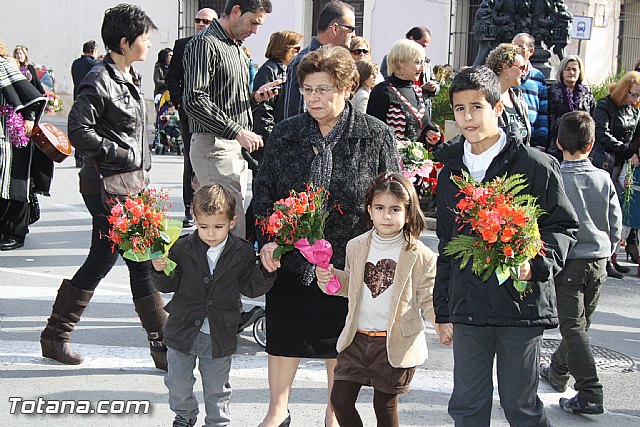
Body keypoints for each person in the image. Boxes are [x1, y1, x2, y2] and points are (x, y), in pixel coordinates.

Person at [254, 45, 400, 427]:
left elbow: (394, 197)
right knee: (285, 335)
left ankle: (333, 416)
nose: (313, 98)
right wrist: (269, 238)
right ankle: (277, 410)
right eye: (307, 90)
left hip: (348, 265)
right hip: (292, 263)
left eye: (323, 89)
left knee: (341, 345)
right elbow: (264, 193)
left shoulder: (375, 135)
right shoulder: (285, 134)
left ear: (347, 88)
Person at [433, 66, 578, 426]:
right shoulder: (449, 170)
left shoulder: (535, 165)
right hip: (468, 308)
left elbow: (562, 226)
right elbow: (448, 245)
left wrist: (535, 263)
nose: (467, 117)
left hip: (520, 305)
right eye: (459, 108)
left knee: (520, 406)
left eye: (477, 107)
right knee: (467, 406)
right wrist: (442, 309)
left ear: (498, 108)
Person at [38, 4, 166, 370]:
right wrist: (122, 153)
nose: (148, 43)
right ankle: (162, 345)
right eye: (143, 37)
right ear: (125, 42)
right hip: (106, 185)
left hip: (129, 183)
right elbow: (79, 130)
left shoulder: (129, 76)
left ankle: (56, 335)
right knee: (139, 260)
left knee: (104, 257)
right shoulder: (99, 78)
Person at [315, 172, 438, 427]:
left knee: (384, 405)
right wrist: (330, 277)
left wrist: (444, 324)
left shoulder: (421, 254)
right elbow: (351, 286)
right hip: (356, 338)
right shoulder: (356, 245)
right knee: (340, 400)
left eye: (395, 209)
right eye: (380, 208)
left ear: (408, 212)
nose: (387, 216)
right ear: (369, 210)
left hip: (394, 343)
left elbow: (429, 297)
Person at [150, 184, 278, 427]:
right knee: (177, 381)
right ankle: (185, 414)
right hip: (182, 328)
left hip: (219, 332)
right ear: (195, 220)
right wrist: (158, 269)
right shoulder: (181, 247)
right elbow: (168, 284)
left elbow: (251, 287)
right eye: (203, 226)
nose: (210, 233)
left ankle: (217, 422)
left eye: (218, 226)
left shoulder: (241, 252)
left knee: (217, 387)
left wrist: (266, 271)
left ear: (232, 222)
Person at [537, 111, 620, 416]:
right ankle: (558, 370)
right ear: (593, 142)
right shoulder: (603, 177)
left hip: (570, 260)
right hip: (598, 259)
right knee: (580, 326)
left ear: (558, 142)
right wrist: (607, 247)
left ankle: (590, 392)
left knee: (573, 327)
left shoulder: (555, 176)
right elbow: (614, 222)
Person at [182, 0, 279, 240]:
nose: (255, 30)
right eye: (253, 22)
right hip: (214, 146)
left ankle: (223, 275)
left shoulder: (235, 46)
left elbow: (224, 100)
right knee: (228, 228)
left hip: (232, 147)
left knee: (230, 225)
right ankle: (222, 277)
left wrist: (254, 99)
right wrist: (237, 130)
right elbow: (194, 99)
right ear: (236, 11)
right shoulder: (205, 44)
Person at [165, 7, 217, 228]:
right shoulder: (182, 45)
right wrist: (181, 104)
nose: (201, 24)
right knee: (191, 161)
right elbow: (172, 79)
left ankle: (212, 208)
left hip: (216, 116)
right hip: (190, 115)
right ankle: (189, 208)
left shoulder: (222, 45)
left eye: (206, 21)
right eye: (198, 20)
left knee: (214, 162)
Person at [591, 71, 640, 278]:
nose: (635, 99)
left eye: (638, 96)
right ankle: (603, 259)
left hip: (622, 164)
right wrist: (627, 150)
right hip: (605, 162)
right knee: (602, 212)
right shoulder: (605, 105)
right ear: (623, 90)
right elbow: (601, 133)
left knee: (616, 212)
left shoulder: (633, 109)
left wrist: (633, 152)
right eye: (633, 94)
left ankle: (612, 256)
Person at [0, 42, 48, 252]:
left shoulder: (4, 65)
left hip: (11, 134)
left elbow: (32, 95)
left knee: (14, 184)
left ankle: (15, 234)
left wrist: (28, 119)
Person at [281, 0, 355, 120]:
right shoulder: (301, 63)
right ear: (335, 29)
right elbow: (295, 118)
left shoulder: (342, 61)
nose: (354, 35)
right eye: (351, 29)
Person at [367, 39, 441, 146]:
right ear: (401, 62)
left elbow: (424, 127)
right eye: (417, 62)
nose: (422, 68)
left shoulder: (418, 92)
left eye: (422, 62)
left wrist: (433, 137)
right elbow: (373, 133)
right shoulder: (382, 91)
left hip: (420, 161)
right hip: (390, 160)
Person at [380, 26, 439, 116]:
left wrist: (433, 87)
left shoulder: (427, 62)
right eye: (421, 45)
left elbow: (434, 81)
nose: (421, 68)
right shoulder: (383, 90)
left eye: (425, 47)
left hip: (421, 107)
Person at [547, 55, 596, 161]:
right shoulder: (552, 91)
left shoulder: (587, 93)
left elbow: (592, 117)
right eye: (567, 69)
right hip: (556, 143)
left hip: (580, 143)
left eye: (574, 69)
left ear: (580, 72)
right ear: (562, 72)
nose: (571, 72)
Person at [485, 43, 531, 145]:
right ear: (505, 66)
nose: (523, 73)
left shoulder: (519, 98)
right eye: (521, 68)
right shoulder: (486, 98)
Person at [512, 33, 549, 151]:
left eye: (520, 47)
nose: (516, 50)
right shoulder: (505, 74)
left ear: (531, 51)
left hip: (531, 141)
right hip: (510, 138)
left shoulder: (538, 77)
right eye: (513, 47)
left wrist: (541, 143)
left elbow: (543, 112)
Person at [71, 40, 100, 168]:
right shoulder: (94, 65)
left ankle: (78, 157)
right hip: (90, 99)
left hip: (77, 96)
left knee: (79, 127)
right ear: (93, 50)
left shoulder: (75, 63)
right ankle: (86, 156)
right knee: (88, 128)